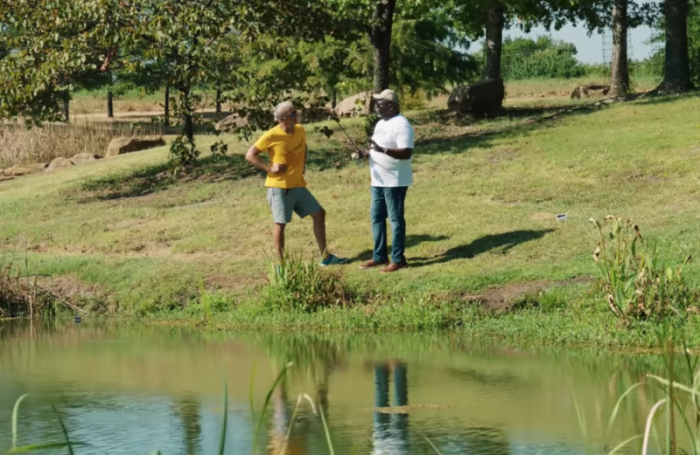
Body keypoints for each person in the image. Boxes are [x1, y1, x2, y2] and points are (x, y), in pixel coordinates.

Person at [245, 101, 347, 266]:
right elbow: (250, 155)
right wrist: (269, 168)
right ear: (282, 118)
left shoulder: (300, 130)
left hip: (298, 185)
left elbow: (303, 147)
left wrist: (303, 165)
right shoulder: (272, 135)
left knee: (319, 213)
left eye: (296, 112)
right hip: (280, 188)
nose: (297, 115)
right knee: (280, 225)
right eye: (293, 114)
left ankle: (325, 257)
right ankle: (281, 266)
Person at [358, 89, 414, 273]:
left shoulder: (402, 125)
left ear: (391, 105)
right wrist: (365, 153)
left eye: (379, 103)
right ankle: (379, 256)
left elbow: (406, 152)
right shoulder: (381, 123)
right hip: (378, 181)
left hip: (395, 181)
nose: (376, 107)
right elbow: (376, 148)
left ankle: (399, 259)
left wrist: (383, 151)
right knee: (376, 217)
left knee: (396, 220)